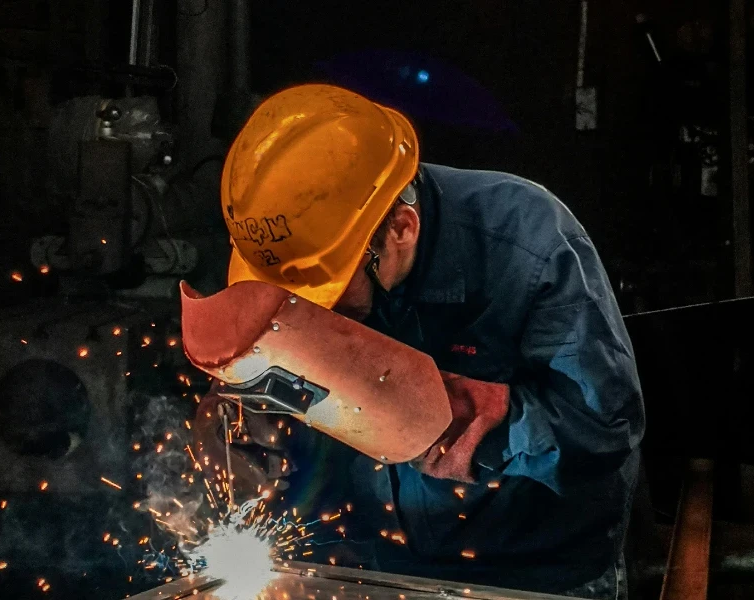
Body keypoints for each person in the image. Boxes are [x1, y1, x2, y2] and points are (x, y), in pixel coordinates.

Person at [193, 84, 645, 600]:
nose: (311, 315)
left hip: (534, 574)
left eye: (328, 292)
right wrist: (254, 416)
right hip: (379, 565)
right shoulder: (300, 248)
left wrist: (438, 415)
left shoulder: (527, 241)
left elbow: (604, 430)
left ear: (400, 229)